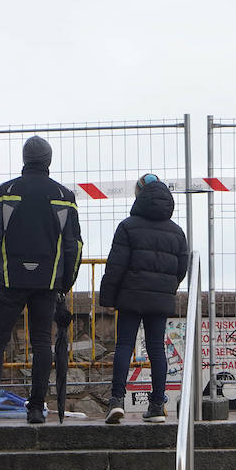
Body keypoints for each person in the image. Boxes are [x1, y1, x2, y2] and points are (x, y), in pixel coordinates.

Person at [0, 136, 83, 425]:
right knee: (42, 343)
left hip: (9, 279)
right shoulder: (63, 195)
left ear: (24, 158)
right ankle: (35, 409)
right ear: (48, 160)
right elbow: (74, 246)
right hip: (47, 282)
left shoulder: (5, 191)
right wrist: (64, 282)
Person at [98, 173, 189, 424]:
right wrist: (167, 288)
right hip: (159, 299)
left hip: (130, 296)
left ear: (139, 196)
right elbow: (181, 268)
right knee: (157, 348)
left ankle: (116, 401)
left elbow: (115, 266)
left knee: (124, 346)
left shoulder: (128, 226)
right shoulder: (177, 232)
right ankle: (157, 405)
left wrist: (107, 297)